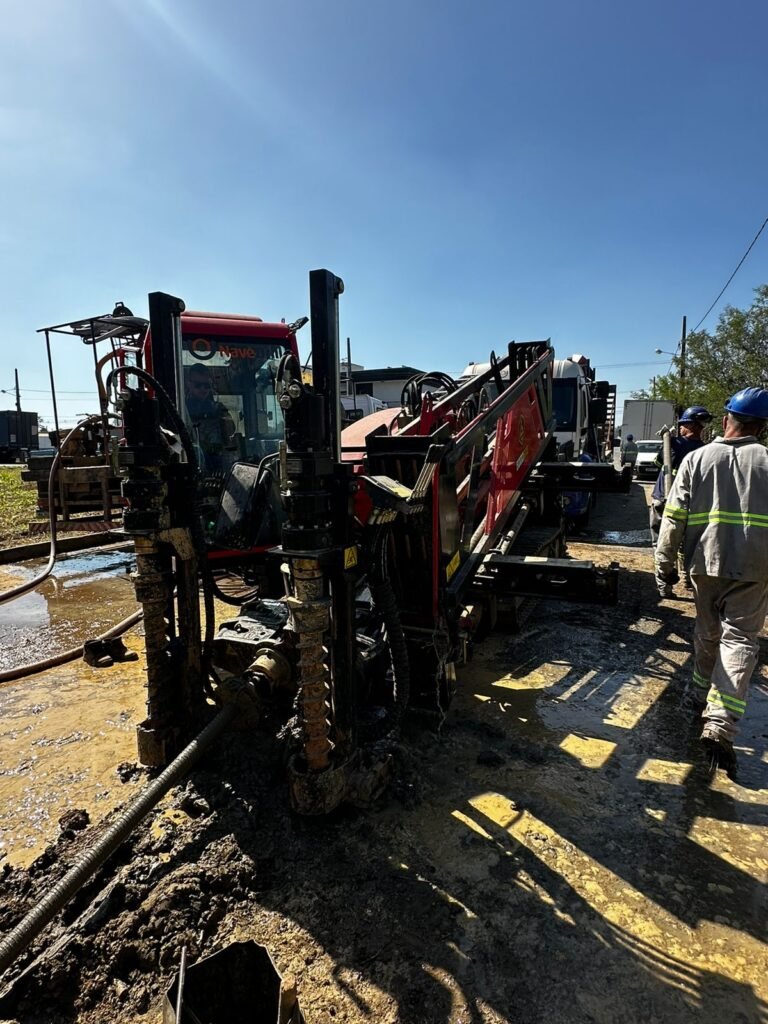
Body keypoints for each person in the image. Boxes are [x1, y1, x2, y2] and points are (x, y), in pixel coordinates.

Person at [655, 387, 768, 775]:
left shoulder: (698, 459)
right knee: (740, 641)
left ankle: (696, 695)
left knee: (706, 634)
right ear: (762, 428)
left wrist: (663, 565)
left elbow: (673, 518)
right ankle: (719, 722)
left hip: (705, 562)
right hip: (755, 569)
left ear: (725, 421)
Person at [650, 405, 713, 594]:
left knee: (661, 543)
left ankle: (664, 586)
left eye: (682, 425)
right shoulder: (706, 451)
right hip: (692, 504)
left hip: (664, 499)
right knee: (688, 544)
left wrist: (667, 442)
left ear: (690, 425)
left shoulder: (675, 444)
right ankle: (687, 579)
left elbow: (658, 463)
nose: (680, 429)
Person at [184, 364, 237, 472]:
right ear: (188, 384)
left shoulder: (217, 408)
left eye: (206, 385)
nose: (203, 389)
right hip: (192, 460)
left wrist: (221, 413)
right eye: (198, 385)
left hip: (218, 460)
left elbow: (230, 430)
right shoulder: (182, 408)